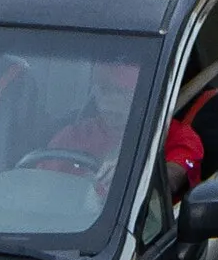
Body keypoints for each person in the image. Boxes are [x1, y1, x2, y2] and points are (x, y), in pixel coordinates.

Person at [41, 61, 204, 201]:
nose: (110, 103)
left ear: (145, 96)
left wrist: (132, 174)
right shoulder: (74, 135)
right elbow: (39, 187)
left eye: (122, 93)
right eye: (104, 91)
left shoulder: (178, 137)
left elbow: (173, 176)